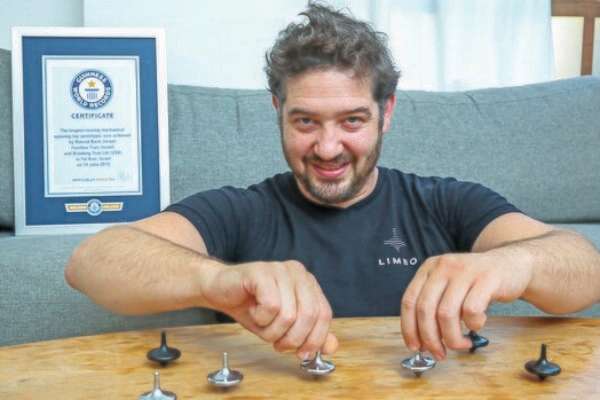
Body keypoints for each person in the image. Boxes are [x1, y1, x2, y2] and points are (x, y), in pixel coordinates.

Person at [65, 2, 600, 362]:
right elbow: (91, 262)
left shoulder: (446, 201)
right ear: (277, 111)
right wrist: (217, 281)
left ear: (386, 113)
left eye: (351, 121)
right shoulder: (242, 210)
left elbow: (585, 270)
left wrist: (511, 264)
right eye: (305, 121)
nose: (327, 148)